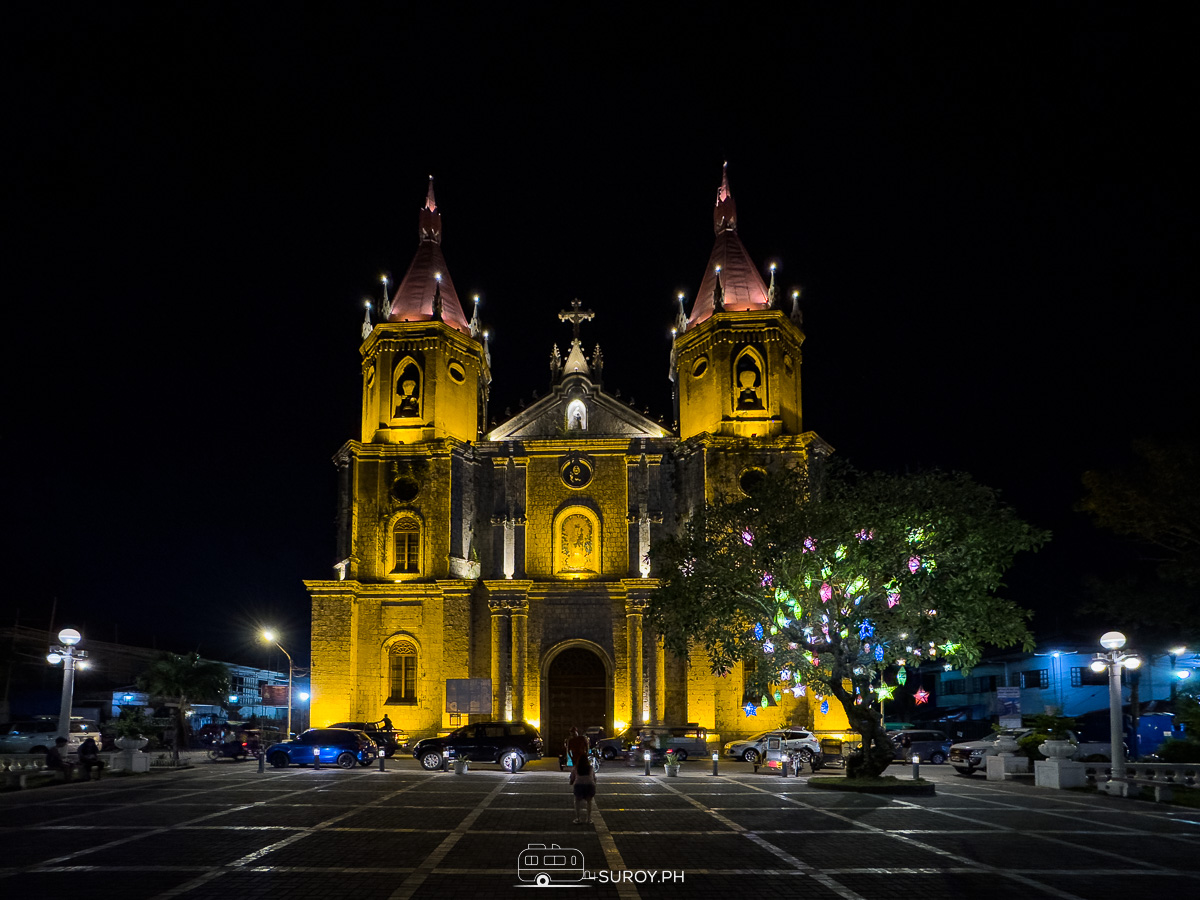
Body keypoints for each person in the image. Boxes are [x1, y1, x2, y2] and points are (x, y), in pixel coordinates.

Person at [569, 756, 597, 824]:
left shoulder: (576, 768)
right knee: (589, 802)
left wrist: (571, 782)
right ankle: (589, 818)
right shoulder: (590, 768)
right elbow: (594, 778)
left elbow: (572, 778)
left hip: (579, 785)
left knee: (577, 802)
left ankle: (578, 818)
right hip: (589, 785)